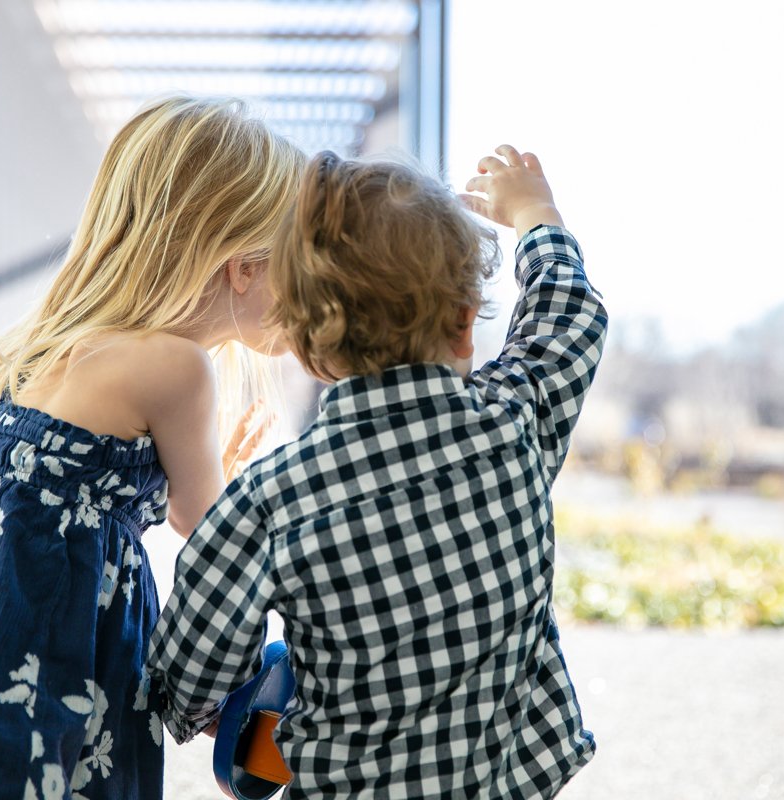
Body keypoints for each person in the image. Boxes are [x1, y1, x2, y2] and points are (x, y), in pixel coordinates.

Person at [0, 95, 305, 800]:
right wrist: (230, 472)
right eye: (300, 262)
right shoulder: (179, 368)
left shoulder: (38, 345)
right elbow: (209, 529)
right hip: (44, 664)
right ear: (243, 266)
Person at [147, 145, 607, 798]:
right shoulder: (517, 421)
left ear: (306, 346)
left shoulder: (266, 502)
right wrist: (537, 212)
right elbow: (568, 316)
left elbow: (188, 681)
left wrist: (246, 697)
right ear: (463, 322)